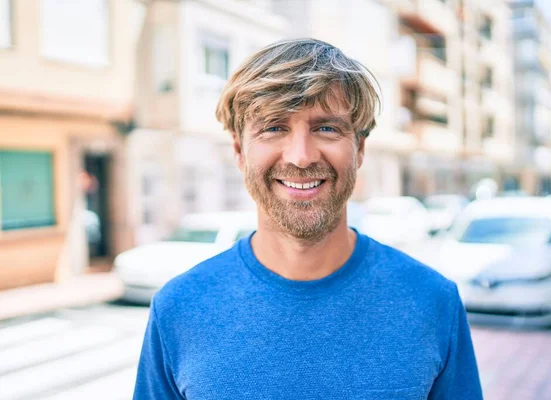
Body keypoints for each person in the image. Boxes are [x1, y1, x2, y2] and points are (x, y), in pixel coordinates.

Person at [134, 38, 483, 399]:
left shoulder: (432, 300)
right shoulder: (178, 308)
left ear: (359, 148)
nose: (300, 157)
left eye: (327, 128)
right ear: (239, 151)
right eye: (273, 127)